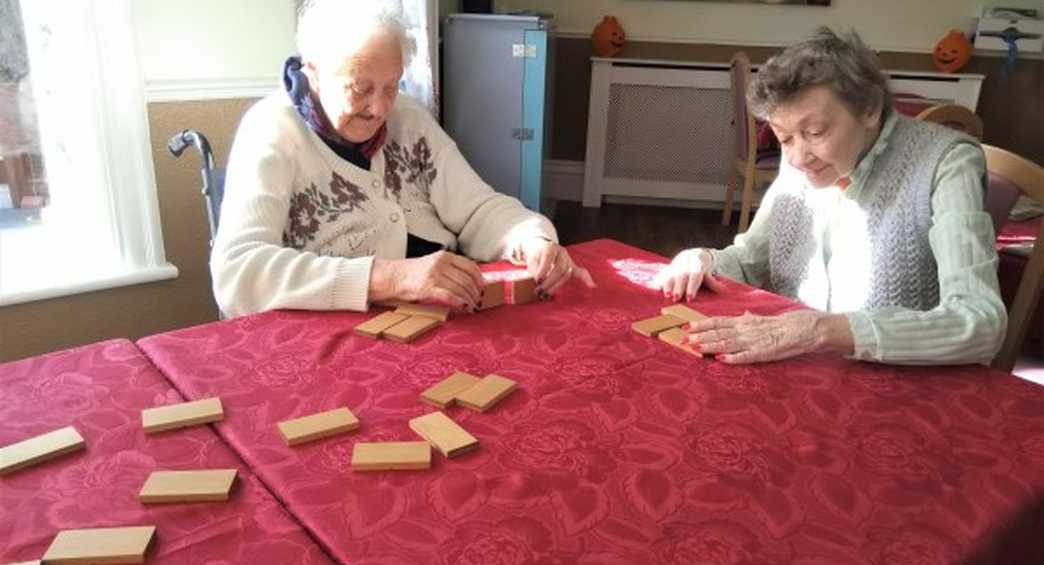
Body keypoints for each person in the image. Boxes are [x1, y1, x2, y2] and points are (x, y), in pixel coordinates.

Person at [211, 0, 593, 318]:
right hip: (341, 331)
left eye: (391, 87)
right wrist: (392, 278)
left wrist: (531, 236)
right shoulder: (271, 131)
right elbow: (238, 273)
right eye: (360, 89)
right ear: (313, 72)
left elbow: (475, 207)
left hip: (443, 316)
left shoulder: (408, 118)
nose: (379, 109)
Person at [656, 27, 1006, 366]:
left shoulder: (947, 162)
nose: (796, 158)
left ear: (870, 108)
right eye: (784, 138)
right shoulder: (804, 161)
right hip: (807, 373)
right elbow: (750, 260)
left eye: (815, 132)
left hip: (902, 388)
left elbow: (981, 323)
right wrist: (703, 260)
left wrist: (820, 330)